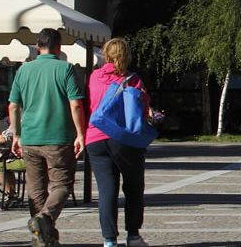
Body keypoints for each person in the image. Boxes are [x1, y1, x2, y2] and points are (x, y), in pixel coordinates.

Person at [9, 29, 89, 247]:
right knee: (62, 185)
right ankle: (44, 220)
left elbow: (14, 105)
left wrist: (16, 134)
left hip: (30, 138)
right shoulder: (66, 69)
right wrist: (81, 134)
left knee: (36, 191)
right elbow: (75, 105)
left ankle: (44, 238)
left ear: (37, 47)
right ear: (59, 47)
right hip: (59, 137)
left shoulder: (24, 70)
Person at [87, 38, 151, 247]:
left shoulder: (94, 77)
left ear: (105, 55)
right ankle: (133, 235)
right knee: (133, 187)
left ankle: (109, 240)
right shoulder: (133, 80)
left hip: (95, 138)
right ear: (127, 55)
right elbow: (142, 112)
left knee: (107, 190)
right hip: (124, 140)